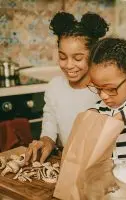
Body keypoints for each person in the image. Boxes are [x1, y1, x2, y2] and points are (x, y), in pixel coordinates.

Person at [25, 12, 109, 164]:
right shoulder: (54, 86)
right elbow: (50, 120)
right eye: (63, 57)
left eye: (78, 58)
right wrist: (47, 140)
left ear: (93, 55)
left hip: (98, 163)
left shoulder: (105, 91)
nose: (69, 65)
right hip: (66, 161)